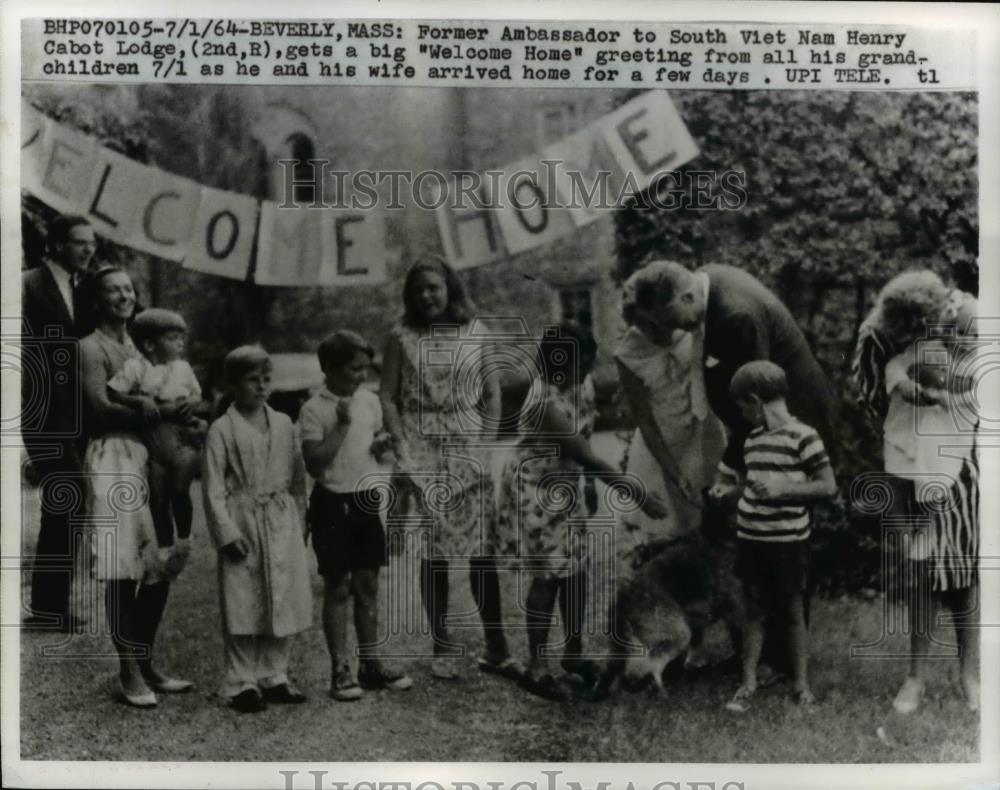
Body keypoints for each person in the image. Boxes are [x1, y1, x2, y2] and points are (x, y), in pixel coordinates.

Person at [493, 325, 668, 701]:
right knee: (549, 575)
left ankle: (574, 653)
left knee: (576, 571)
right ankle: (537, 666)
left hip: (566, 482)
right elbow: (586, 456)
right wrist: (636, 493)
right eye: (570, 366)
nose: (579, 372)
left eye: (583, 364)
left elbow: (585, 438)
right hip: (537, 490)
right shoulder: (545, 401)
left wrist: (586, 487)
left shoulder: (582, 385)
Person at [380, 257, 519, 681]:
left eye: (435, 288)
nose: (427, 296)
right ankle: (442, 642)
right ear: (410, 295)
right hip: (422, 453)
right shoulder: (401, 336)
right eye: (419, 289)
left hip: (467, 448)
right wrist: (403, 448)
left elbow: (492, 394)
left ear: (450, 289)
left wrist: (484, 445)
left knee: (481, 552)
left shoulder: (476, 333)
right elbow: (386, 395)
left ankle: (496, 646)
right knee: (434, 556)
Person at [852, 270, 980, 714]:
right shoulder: (881, 335)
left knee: (965, 570)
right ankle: (916, 676)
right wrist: (918, 406)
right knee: (922, 568)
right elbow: (875, 394)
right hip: (913, 452)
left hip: (964, 453)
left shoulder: (967, 316)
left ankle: (971, 673)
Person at [80, 266, 193, 707]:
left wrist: (179, 409)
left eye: (128, 288)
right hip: (114, 458)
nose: (123, 296)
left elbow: (167, 394)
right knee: (121, 568)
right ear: (96, 298)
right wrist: (157, 410)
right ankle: (127, 669)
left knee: (161, 562)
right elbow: (98, 407)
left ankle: (145, 660)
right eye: (113, 290)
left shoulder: (142, 342)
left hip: (152, 458)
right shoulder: (90, 346)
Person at [300, 330, 413, 701]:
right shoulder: (313, 408)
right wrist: (342, 425)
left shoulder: (369, 402)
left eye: (365, 368)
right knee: (338, 587)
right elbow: (315, 463)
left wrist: (382, 446)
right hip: (332, 502)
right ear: (330, 368)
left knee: (368, 586)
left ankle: (371, 663)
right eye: (353, 369)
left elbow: (378, 451)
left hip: (365, 500)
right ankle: (340, 669)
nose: (361, 376)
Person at [719, 361, 836, 712]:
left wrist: (783, 488)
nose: (743, 414)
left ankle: (801, 684)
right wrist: (731, 492)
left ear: (754, 400)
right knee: (752, 612)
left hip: (788, 543)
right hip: (752, 539)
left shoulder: (804, 437)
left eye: (742, 406)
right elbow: (754, 486)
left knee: (791, 612)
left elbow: (828, 486)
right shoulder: (753, 441)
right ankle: (749, 681)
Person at [202, 346, 313, 713]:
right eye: (253, 380)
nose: (262, 386)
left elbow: (298, 477)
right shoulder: (222, 429)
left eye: (267, 378)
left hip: (280, 517)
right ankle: (240, 681)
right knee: (243, 599)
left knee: (281, 596)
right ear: (233, 383)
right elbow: (214, 488)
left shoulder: (283, 423)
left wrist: (300, 514)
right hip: (244, 519)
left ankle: (274, 674)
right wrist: (227, 533)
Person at [615, 261, 727, 564]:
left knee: (716, 519)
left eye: (657, 323)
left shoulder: (688, 324)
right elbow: (644, 420)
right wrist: (673, 472)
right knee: (671, 533)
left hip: (704, 433)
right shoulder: (627, 355)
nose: (657, 331)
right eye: (646, 326)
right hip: (662, 447)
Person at [21, 214, 97, 630]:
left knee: (64, 504)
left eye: (92, 243)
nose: (88, 250)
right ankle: (48, 609)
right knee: (67, 497)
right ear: (56, 245)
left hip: (74, 417)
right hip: (40, 412)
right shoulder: (28, 284)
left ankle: (49, 607)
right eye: (79, 242)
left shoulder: (82, 290)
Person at [107, 308, 206, 579]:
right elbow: (113, 392)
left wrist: (192, 402)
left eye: (181, 338)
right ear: (150, 344)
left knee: (179, 489)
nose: (180, 344)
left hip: (181, 440)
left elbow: (197, 394)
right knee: (158, 495)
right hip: (154, 442)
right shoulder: (136, 368)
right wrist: (139, 400)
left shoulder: (183, 369)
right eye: (173, 338)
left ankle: (184, 537)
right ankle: (165, 545)